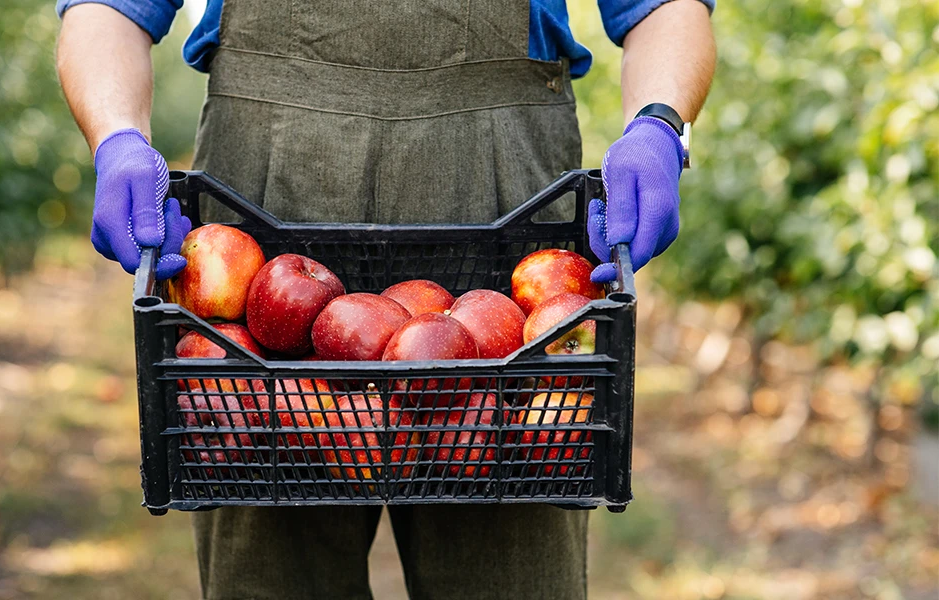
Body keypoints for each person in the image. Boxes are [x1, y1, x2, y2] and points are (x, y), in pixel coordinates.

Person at [56, 1, 715, 598]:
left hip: (503, 206)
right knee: (270, 562)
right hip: (269, 204)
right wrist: (117, 136)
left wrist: (659, 123)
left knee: (507, 537)